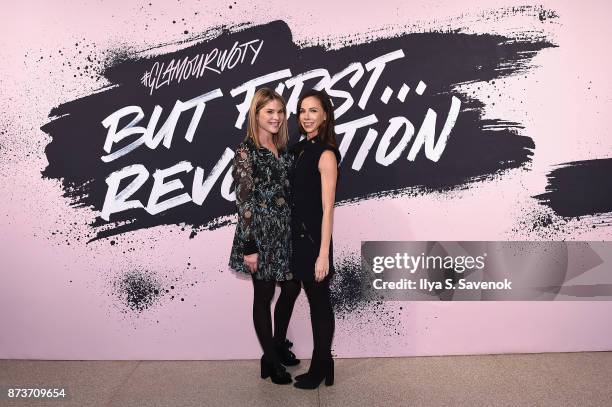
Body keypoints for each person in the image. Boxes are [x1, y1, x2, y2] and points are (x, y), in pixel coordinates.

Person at [229, 88, 301, 385]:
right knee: (264, 294)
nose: (276, 117)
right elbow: (243, 202)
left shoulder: (283, 148)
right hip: (258, 234)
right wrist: (249, 246)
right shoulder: (246, 152)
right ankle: (271, 363)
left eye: (280, 112)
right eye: (269, 111)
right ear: (256, 114)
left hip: (283, 233)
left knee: (292, 287)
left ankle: (275, 346)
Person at [290, 89, 340, 390]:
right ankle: (326, 363)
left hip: (313, 243)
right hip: (296, 241)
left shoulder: (325, 153)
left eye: (313, 111)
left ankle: (321, 366)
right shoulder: (298, 150)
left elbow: (327, 210)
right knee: (312, 302)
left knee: (319, 305)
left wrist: (323, 254)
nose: (306, 117)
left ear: (324, 115)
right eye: (302, 111)